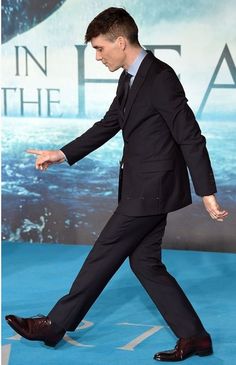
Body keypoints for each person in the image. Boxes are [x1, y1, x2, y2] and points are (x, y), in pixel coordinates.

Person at [6, 7, 228, 362]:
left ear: (120, 42)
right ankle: (196, 337)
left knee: (103, 255)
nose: (97, 56)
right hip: (141, 187)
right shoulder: (129, 78)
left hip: (150, 191)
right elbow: (109, 124)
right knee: (146, 265)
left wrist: (206, 192)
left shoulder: (160, 78)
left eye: (99, 48)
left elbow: (190, 136)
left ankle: (54, 324)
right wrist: (61, 153)